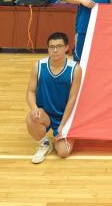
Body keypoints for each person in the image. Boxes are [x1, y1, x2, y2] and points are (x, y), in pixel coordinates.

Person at [25, 32, 82, 164]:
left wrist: (62, 126)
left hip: (66, 116)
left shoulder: (75, 69)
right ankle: (45, 143)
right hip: (46, 114)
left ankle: (66, 136)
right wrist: (34, 108)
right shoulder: (38, 66)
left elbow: (73, 99)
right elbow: (30, 91)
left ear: (66, 48)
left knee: (63, 153)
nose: (55, 50)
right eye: (51, 47)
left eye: (59, 46)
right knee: (31, 119)